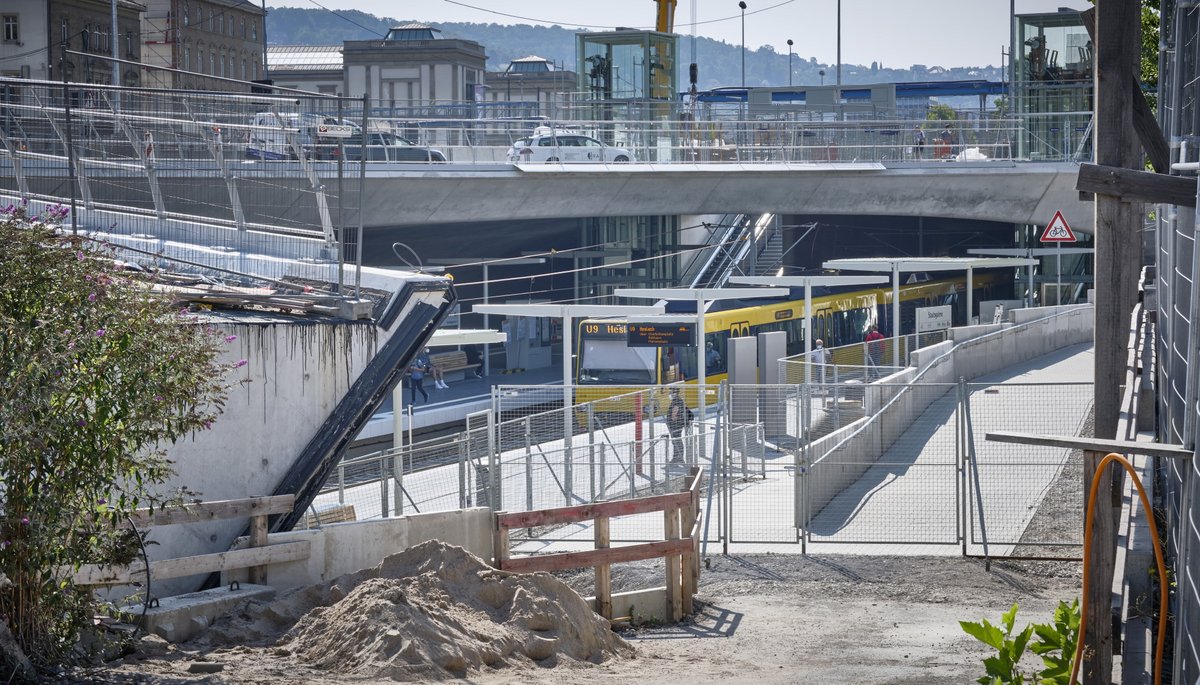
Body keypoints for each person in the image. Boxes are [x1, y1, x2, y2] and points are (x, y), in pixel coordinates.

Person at [665, 388, 691, 464]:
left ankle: (678, 458)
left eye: (671, 392)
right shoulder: (679, 400)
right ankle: (678, 457)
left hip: (675, 425)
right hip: (678, 424)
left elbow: (674, 412)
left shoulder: (676, 401)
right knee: (677, 441)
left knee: (676, 441)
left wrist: (672, 419)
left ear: (675, 393)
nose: (669, 394)